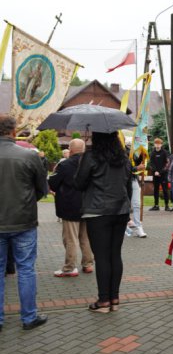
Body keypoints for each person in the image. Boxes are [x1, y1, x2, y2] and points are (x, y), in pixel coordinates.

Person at [74, 131, 132, 313]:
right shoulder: (123, 158)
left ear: (96, 138)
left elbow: (79, 183)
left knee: (102, 257)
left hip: (97, 211)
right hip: (120, 210)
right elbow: (128, 185)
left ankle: (103, 301)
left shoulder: (91, 156)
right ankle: (114, 299)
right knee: (115, 254)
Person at [0, 114, 48, 330]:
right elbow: (41, 190)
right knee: (26, 269)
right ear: (13, 131)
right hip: (23, 221)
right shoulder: (29, 156)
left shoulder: (29, 156)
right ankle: (29, 317)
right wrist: (27, 202)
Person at [48, 139, 95, 277]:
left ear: (70, 149)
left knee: (70, 238)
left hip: (70, 206)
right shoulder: (92, 164)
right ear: (84, 149)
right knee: (85, 238)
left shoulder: (65, 165)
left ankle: (70, 268)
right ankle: (88, 264)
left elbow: (53, 183)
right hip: (88, 206)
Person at [125, 144, 147, 238]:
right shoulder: (119, 149)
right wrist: (136, 168)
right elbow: (123, 166)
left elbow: (138, 162)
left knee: (137, 204)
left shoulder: (134, 150)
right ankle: (124, 225)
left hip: (133, 179)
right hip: (122, 180)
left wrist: (143, 152)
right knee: (124, 204)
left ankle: (139, 227)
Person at [149, 138, 170, 211]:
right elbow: (151, 163)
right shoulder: (152, 153)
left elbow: (167, 164)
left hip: (163, 175)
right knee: (156, 190)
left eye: (159, 144)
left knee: (165, 190)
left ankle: (167, 206)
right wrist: (155, 171)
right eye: (156, 144)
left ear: (161, 144)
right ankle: (156, 205)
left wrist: (160, 172)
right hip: (155, 175)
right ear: (154, 144)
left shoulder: (165, 152)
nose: (157, 145)